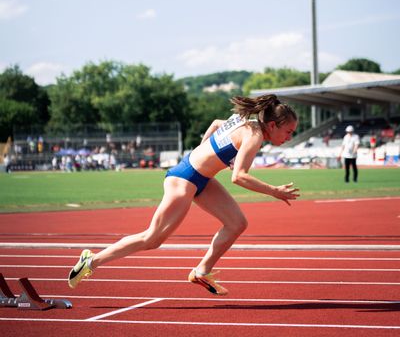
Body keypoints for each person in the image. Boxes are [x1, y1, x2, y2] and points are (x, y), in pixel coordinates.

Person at [68, 94, 299, 296]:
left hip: (201, 179)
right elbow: (238, 176)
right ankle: (91, 261)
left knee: (237, 223)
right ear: (272, 125)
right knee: (152, 239)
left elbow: (216, 123)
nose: (289, 137)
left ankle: (202, 272)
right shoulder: (254, 136)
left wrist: (203, 150)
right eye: (288, 131)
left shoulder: (243, 122)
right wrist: (274, 191)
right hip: (184, 178)